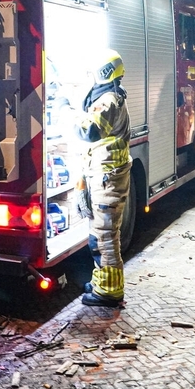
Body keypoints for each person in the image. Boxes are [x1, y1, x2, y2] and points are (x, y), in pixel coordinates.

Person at [75, 50, 131, 307]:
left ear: (103, 72)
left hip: (107, 180)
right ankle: (102, 282)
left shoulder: (108, 100)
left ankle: (109, 291)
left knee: (104, 238)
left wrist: (64, 110)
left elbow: (90, 130)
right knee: (100, 235)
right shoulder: (111, 96)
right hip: (106, 177)